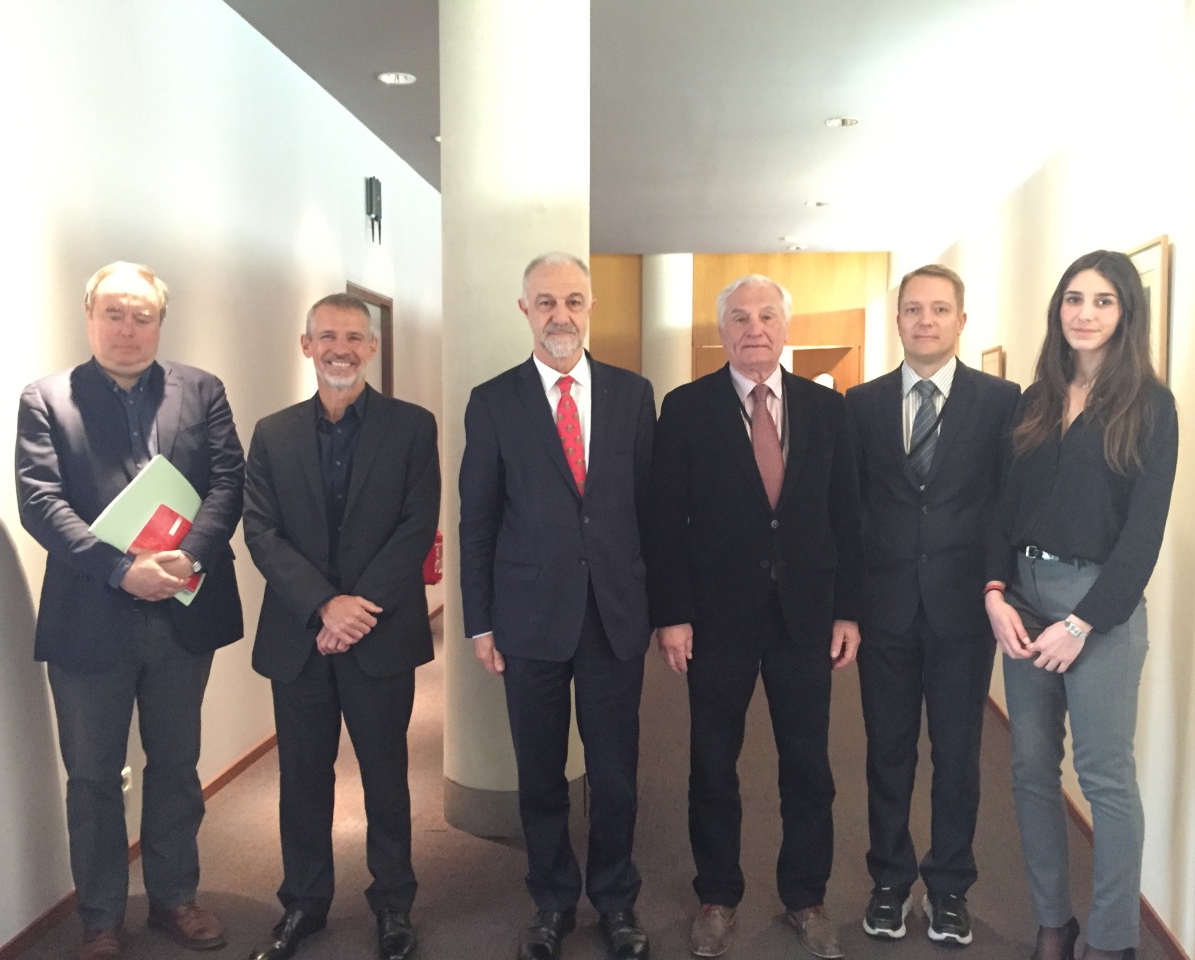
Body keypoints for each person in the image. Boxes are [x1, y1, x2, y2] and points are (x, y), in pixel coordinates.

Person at [15, 261, 244, 960]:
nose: (127, 327)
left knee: (176, 766)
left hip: (182, 609)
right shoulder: (47, 399)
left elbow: (228, 482)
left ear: (159, 322)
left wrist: (185, 560)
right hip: (90, 617)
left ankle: (175, 898)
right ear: (89, 317)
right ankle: (100, 918)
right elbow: (40, 502)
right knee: (92, 777)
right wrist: (122, 569)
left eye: (142, 315)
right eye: (114, 312)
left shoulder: (201, 390)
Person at [647, 275, 863, 960]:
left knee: (809, 765)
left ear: (786, 326)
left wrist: (848, 610)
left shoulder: (829, 411)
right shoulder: (685, 409)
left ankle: (807, 897)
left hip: (806, 617)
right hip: (716, 620)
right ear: (722, 330)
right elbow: (664, 522)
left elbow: (846, 519)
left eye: (767, 315)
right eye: (739, 316)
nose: (754, 327)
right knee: (712, 763)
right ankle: (717, 896)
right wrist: (672, 615)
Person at [459, 252, 655, 960]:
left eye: (573, 300)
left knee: (614, 776)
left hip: (613, 617)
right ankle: (551, 902)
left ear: (591, 306)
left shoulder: (634, 395)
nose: (560, 315)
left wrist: (658, 610)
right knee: (540, 777)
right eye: (545, 302)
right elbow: (476, 518)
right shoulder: (493, 400)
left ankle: (615, 901)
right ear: (524, 311)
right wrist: (478, 619)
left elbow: (649, 511)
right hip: (527, 621)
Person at [985, 251, 1178, 960]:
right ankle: (1051, 925)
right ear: (1057, 309)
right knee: (1031, 768)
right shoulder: (1034, 399)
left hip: (1100, 607)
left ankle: (1112, 940)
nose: (1085, 313)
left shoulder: (1151, 407)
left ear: (1127, 312)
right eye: (1073, 298)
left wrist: (1082, 620)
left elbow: (1143, 533)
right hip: (1024, 601)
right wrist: (994, 592)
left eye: (1102, 300)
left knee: (1104, 778)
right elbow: (1001, 512)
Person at [242, 293, 439, 960]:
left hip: (379, 634)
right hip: (300, 637)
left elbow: (416, 527)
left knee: (386, 775)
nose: (341, 349)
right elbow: (261, 532)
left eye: (355, 337)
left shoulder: (413, 426)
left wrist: (356, 610)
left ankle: (393, 907)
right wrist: (324, 606)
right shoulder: (272, 433)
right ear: (306, 346)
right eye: (328, 336)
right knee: (301, 777)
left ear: (372, 348)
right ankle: (304, 903)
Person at [844, 264, 1019, 946]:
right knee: (887, 753)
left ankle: (949, 888)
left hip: (962, 612)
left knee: (957, 755)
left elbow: (1006, 507)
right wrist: (847, 606)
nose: (925, 320)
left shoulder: (1001, 402)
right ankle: (888, 883)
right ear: (898, 321)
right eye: (913, 309)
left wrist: (998, 588)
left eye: (939, 310)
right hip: (884, 610)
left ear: (961, 321)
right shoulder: (860, 403)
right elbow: (849, 508)